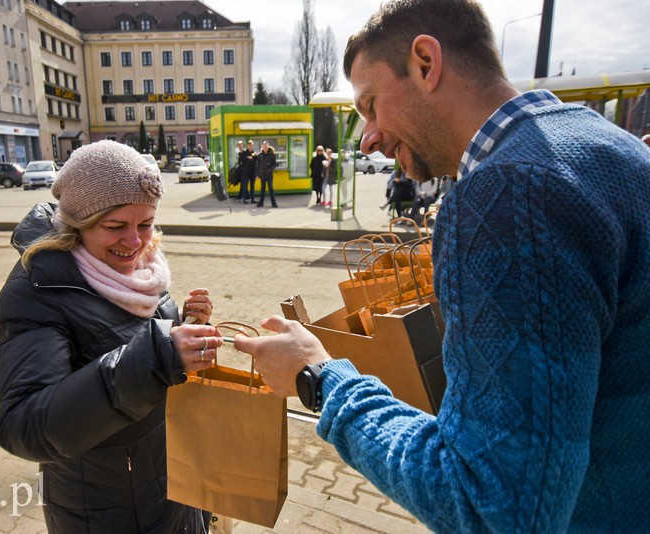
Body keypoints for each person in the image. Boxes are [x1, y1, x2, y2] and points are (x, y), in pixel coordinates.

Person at [234, 1, 650, 532]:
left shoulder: (506, 196)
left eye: (371, 105)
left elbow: (487, 506)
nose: (368, 137)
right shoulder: (610, 146)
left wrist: (319, 377)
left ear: (426, 63)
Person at [0, 140, 224, 532]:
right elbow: (22, 425)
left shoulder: (145, 268)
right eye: (115, 226)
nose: (135, 242)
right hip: (105, 505)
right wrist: (161, 355)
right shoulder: (39, 291)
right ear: (78, 222)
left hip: (170, 479)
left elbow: (131, 343)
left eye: (145, 224)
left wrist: (182, 327)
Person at [255, 140, 278, 208]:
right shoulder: (260, 155)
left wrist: (271, 169)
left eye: (266, 146)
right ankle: (261, 203)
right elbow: (258, 165)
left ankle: (274, 203)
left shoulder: (272, 154)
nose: (265, 147)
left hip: (269, 174)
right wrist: (257, 175)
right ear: (262, 147)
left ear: (268, 146)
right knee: (262, 188)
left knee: (271, 188)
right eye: (264, 146)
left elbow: (275, 164)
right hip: (262, 175)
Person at [238, 140, 257, 204]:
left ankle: (252, 199)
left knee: (252, 186)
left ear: (253, 146)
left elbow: (256, 161)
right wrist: (247, 158)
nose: (250, 146)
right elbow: (240, 160)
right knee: (245, 185)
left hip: (253, 172)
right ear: (247, 146)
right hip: (245, 172)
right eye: (249, 145)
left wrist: (253, 158)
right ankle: (245, 199)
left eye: (251, 145)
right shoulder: (244, 153)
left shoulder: (254, 153)